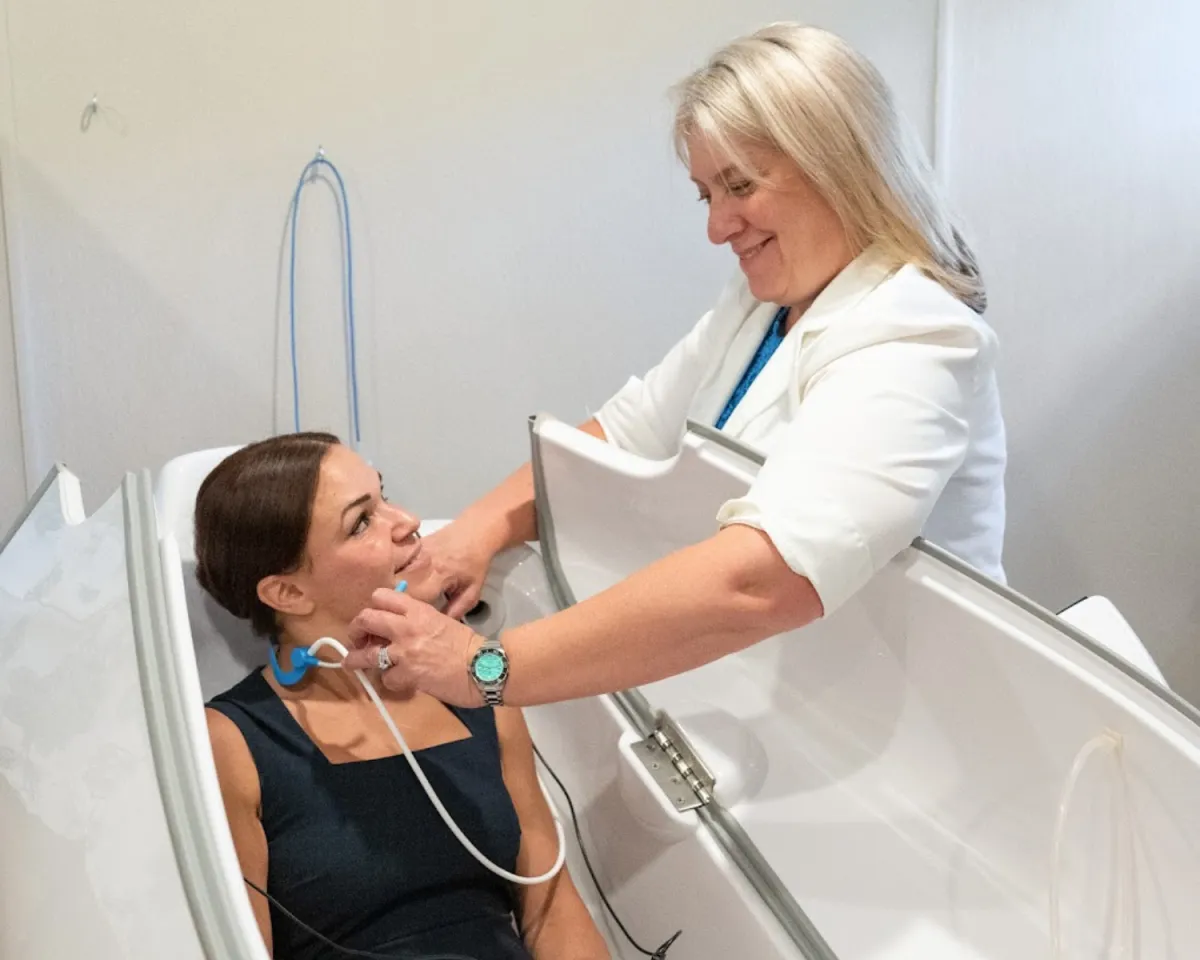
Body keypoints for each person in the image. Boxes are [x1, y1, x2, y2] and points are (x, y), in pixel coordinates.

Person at [344, 22, 1006, 709]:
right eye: (706, 195)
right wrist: (473, 533)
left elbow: (762, 579)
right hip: (780, 692)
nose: (717, 228)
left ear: (840, 165)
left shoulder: (918, 341)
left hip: (912, 724)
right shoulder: (762, 308)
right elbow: (619, 435)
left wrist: (481, 669)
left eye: (739, 186)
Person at [196, 433, 608, 960]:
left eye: (384, 495)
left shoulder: (479, 693)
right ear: (288, 593)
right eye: (361, 522)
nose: (408, 520)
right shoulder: (233, 742)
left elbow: (551, 911)